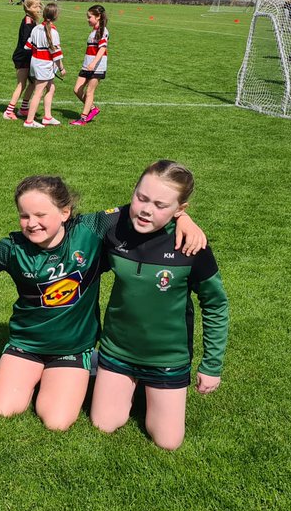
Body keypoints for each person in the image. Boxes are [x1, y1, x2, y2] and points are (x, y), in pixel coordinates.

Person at [0, 176, 203, 433]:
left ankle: (89, 371)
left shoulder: (91, 229)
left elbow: (145, 208)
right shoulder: (13, 247)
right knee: (5, 409)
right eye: (24, 215)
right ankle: (45, 377)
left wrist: (183, 219)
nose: (32, 223)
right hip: (25, 345)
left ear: (65, 213)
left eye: (41, 215)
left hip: (72, 349)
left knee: (56, 420)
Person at [91, 161, 228, 450]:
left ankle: (150, 387)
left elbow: (215, 305)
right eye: (141, 197)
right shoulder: (114, 227)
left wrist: (212, 365)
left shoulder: (192, 246)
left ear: (181, 209)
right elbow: (68, 224)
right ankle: (101, 368)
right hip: (118, 350)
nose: (146, 209)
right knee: (104, 424)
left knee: (167, 441)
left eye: (160, 205)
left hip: (167, 358)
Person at [22, 1, 64, 128]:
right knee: (39, 92)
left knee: (51, 88)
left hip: (36, 62)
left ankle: (47, 117)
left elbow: (27, 46)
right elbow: (56, 54)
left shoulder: (36, 28)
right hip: (44, 64)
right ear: (55, 16)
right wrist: (62, 68)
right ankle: (29, 121)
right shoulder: (53, 32)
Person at [3, 0, 41, 120]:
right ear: (28, 8)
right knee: (21, 84)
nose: (38, 8)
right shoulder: (27, 22)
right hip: (23, 56)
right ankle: (9, 111)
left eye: (39, 5)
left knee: (33, 83)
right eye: (35, 6)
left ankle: (24, 109)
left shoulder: (33, 20)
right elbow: (27, 42)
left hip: (29, 56)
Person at [71, 4, 108, 126]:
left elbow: (102, 49)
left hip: (97, 66)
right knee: (77, 89)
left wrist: (93, 63)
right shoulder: (93, 31)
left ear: (98, 17)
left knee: (89, 92)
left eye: (89, 17)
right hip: (87, 65)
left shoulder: (103, 31)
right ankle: (93, 108)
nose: (88, 19)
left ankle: (82, 118)